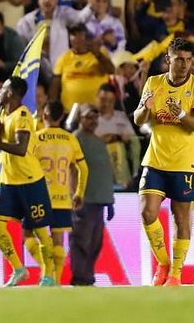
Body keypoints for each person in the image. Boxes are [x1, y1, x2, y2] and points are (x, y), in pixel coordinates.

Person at [135, 37, 194, 286]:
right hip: (155, 159)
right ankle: (163, 262)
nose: (184, 65)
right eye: (179, 60)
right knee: (147, 212)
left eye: (188, 60)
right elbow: (138, 119)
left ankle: (176, 275)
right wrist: (146, 108)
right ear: (168, 59)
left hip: (183, 163)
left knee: (181, 217)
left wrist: (181, 113)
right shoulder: (153, 82)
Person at [0, 77, 57, 286]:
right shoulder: (4, 114)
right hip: (9, 181)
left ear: (11, 93)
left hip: (30, 181)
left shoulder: (23, 116)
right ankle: (19, 269)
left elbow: (21, 148)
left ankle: (49, 275)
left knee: (40, 231)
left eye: (3, 89)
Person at [32, 101, 87, 285]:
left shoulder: (36, 138)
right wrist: (79, 192)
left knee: (29, 235)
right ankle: (56, 281)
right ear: (62, 117)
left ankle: (46, 272)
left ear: (44, 115)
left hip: (39, 196)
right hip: (62, 198)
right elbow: (83, 168)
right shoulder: (70, 139)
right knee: (58, 241)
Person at [70, 103, 113, 286]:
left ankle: (88, 277)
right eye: (88, 117)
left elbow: (105, 171)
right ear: (80, 119)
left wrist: (110, 201)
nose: (93, 121)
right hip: (84, 199)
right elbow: (72, 169)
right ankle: (80, 278)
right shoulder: (75, 139)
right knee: (81, 240)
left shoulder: (99, 141)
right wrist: (75, 194)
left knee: (95, 243)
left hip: (99, 200)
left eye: (95, 117)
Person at [51, 24, 115, 111]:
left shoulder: (100, 53)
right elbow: (55, 84)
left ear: (87, 37)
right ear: (69, 38)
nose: (77, 38)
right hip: (70, 111)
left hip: (96, 111)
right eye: (74, 34)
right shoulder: (64, 58)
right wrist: (53, 107)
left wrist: (98, 54)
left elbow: (111, 70)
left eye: (80, 34)